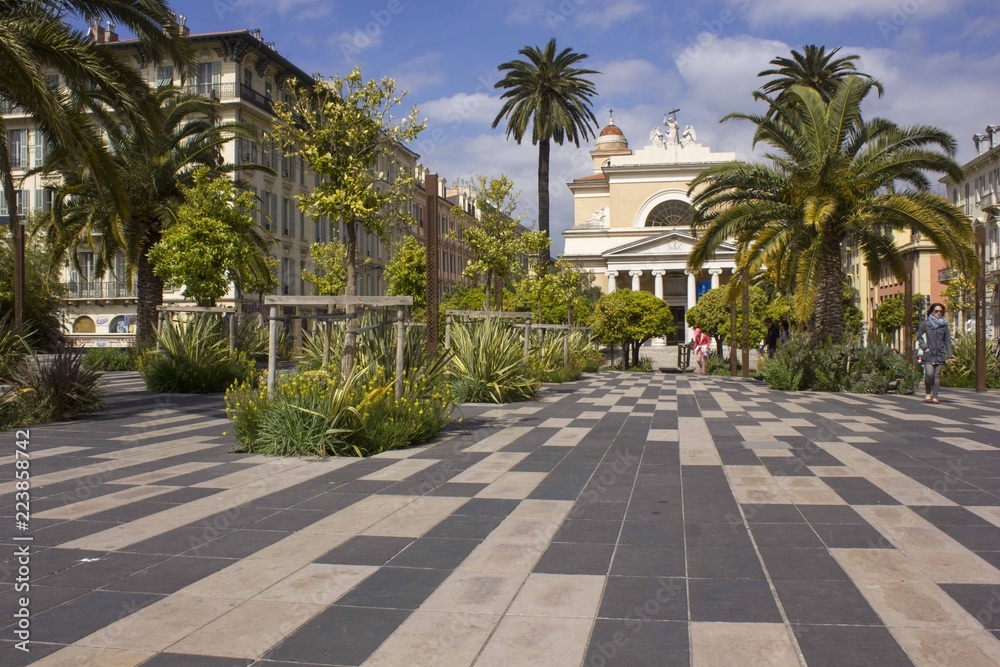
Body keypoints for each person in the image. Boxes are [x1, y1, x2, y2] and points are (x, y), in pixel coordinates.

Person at [916, 303, 952, 404]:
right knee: (929, 374)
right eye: (936, 311)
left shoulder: (944, 325)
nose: (938, 313)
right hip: (929, 353)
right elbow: (919, 336)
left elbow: (947, 341)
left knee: (936, 376)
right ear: (932, 311)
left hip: (940, 353)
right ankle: (928, 393)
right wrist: (924, 347)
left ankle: (935, 396)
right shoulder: (926, 323)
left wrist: (949, 356)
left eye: (940, 311)